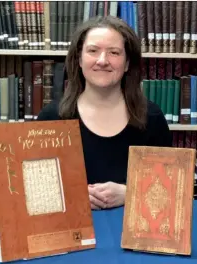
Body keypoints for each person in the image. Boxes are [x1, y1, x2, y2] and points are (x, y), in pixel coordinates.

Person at [37, 16, 172, 210]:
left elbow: (171, 187)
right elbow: (36, 190)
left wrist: (130, 192)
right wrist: (72, 194)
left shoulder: (151, 118)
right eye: (93, 51)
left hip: (133, 235)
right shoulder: (51, 118)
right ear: (79, 60)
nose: (102, 61)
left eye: (114, 52)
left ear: (126, 64)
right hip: (71, 232)